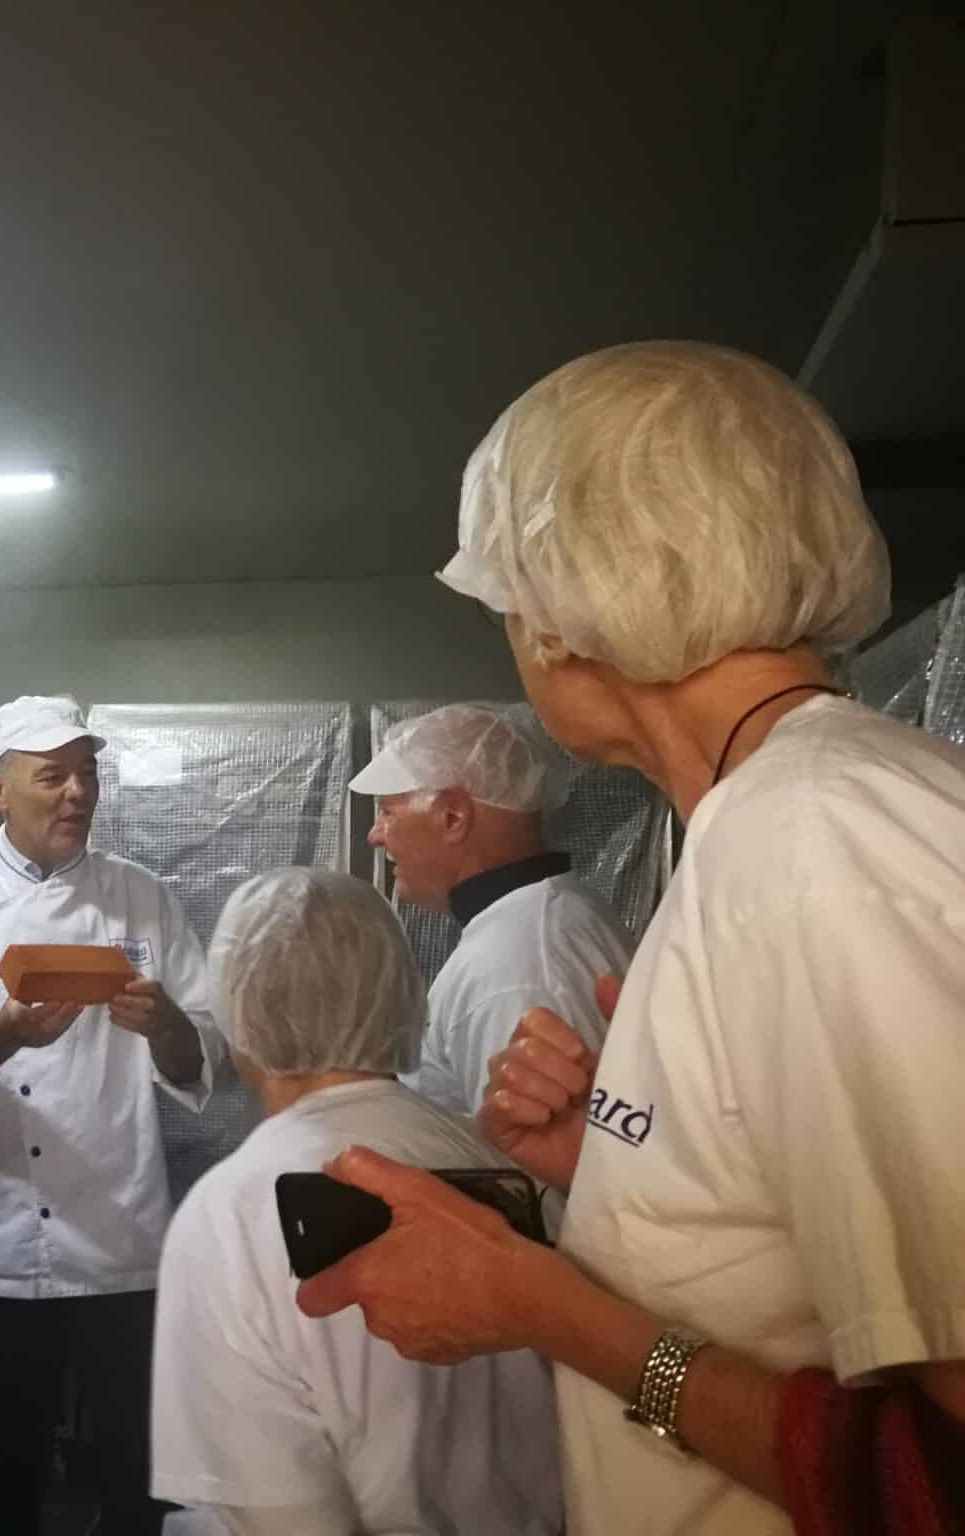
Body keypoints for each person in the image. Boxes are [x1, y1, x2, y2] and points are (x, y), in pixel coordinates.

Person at [294, 341, 965, 1535]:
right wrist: (627, 1169)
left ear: (556, 616)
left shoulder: (815, 847)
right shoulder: (776, 825)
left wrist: (538, 1304)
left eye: (507, 598)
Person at [0, 694, 225, 1536]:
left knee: (139, 1480)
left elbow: (205, 1051)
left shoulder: (141, 897)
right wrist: (2, 1034)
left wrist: (168, 1022)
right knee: (2, 1476)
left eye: (88, 775)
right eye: (53, 776)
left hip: (123, 1242)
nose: (78, 794)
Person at [151, 867, 561, 1534]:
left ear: (239, 1007)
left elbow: (275, 1516)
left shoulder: (229, 1213)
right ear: (397, 989)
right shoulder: (504, 1168)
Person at [351, 702, 634, 1123]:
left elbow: (530, 1180)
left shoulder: (515, 969)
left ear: (452, 817)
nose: (375, 835)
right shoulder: (547, 918)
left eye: (388, 812)